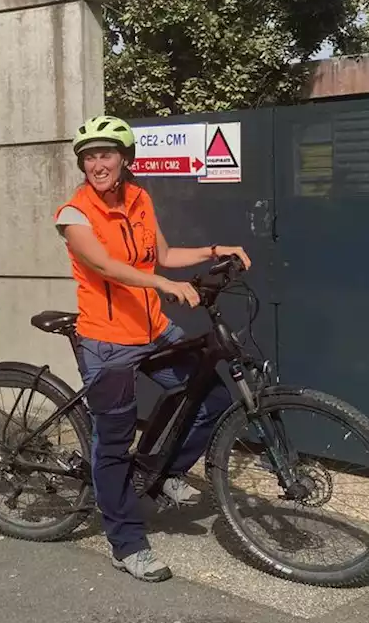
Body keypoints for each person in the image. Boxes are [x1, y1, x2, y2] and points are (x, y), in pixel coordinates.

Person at [54, 115, 251, 583]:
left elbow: (162, 255)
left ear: (124, 159)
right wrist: (164, 284)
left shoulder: (140, 198)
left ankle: (163, 474)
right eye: (89, 157)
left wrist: (215, 249)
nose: (97, 164)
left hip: (153, 330)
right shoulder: (73, 215)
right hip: (108, 342)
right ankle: (125, 542)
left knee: (213, 399)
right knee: (114, 444)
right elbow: (107, 266)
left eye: (106, 154)